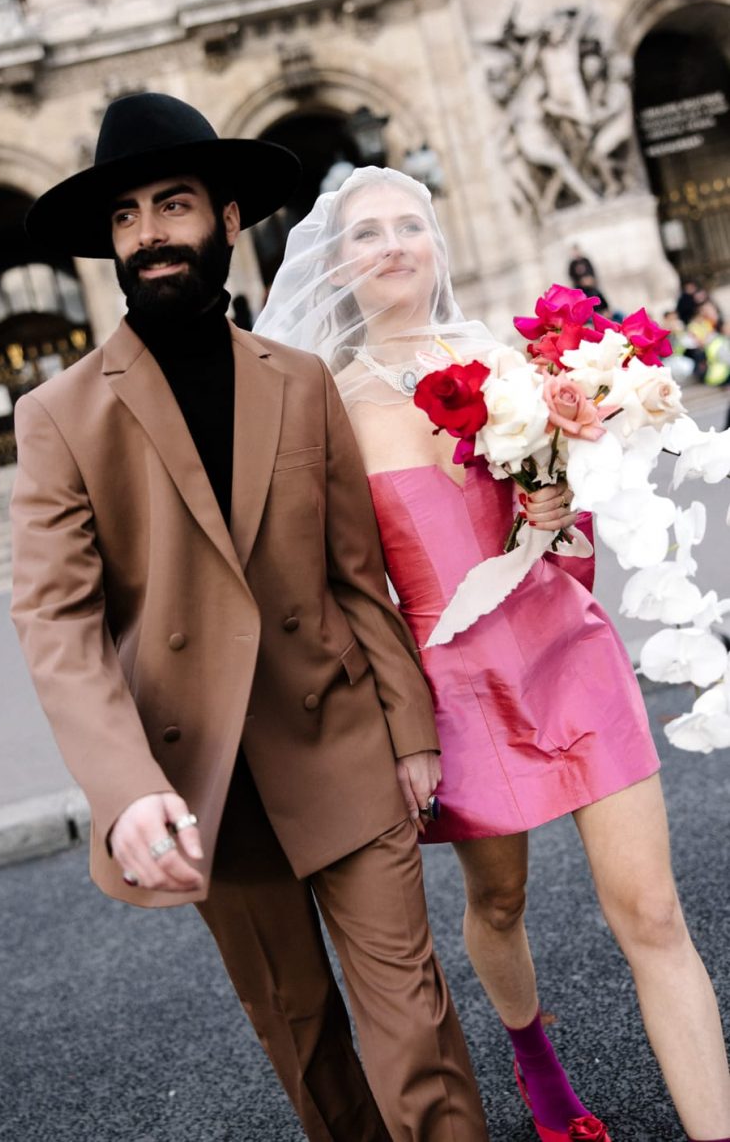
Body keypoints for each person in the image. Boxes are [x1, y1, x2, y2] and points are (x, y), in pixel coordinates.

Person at [11, 94, 488, 1142]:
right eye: (127, 218)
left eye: (171, 206)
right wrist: (127, 789)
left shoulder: (303, 381)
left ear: (228, 221)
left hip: (344, 746)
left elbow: (358, 578)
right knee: (305, 1045)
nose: (148, 236)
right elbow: (56, 622)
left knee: (417, 1039)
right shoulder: (59, 417)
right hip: (206, 789)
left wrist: (410, 733)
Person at [254, 165, 730, 1142]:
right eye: (365, 233)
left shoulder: (517, 365)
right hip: (450, 687)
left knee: (651, 913)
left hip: (570, 653)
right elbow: (340, 581)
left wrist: (559, 513)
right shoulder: (324, 411)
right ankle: (537, 1064)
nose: (392, 244)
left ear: (438, 244)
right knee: (499, 901)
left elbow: (575, 542)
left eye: (409, 225)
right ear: (337, 266)